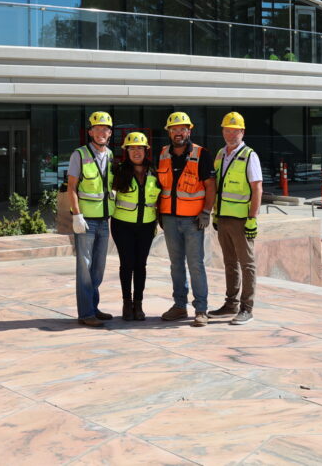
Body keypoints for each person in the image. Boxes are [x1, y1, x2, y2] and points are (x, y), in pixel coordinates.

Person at [157, 111, 216, 326]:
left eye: (182, 129)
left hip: (193, 221)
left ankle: (201, 309)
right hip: (170, 219)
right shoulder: (162, 154)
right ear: (169, 132)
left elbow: (210, 186)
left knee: (195, 265)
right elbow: (160, 187)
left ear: (189, 131)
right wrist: (159, 213)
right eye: (174, 129)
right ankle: (179, 306)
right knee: (176, 265)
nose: (178, 133)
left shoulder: (202, 154)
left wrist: (206, 212)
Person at [210, 112, 262, 325]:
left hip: (241, 220)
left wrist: (252, 218)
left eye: (234, 131)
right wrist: (215, 214)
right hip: (223, 217)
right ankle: (230, 304)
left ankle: (247, 308)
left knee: (247, 264)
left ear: (242, 132)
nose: (230, 134)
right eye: (227, 130)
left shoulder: (250, 156)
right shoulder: (220, 154)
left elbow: (257, 188)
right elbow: (217, 186)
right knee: (230, 263)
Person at [67, 111, 114, 327]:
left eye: (105, 129)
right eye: (97, 129)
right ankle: (86, 313)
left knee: (98, 268)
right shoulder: (79, 154)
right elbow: (72, 186)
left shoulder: (110, 155)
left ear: (110, 133)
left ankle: (93, 307)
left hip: (104, 220)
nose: (101, 132)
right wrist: (76, 214)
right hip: (86, 220)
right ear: (90, 132)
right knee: (85, 268)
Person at [110, 132, 160, 321]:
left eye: (140, 148)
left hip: (146, 226)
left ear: (146, 150)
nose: (136, 152)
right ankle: (126, 303)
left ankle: (138, 304)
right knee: (127, 264)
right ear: (126, 151)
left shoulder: (155, 171)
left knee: (141, 265)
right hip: (122, 226)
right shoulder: (119, 170)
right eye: (132, 148)